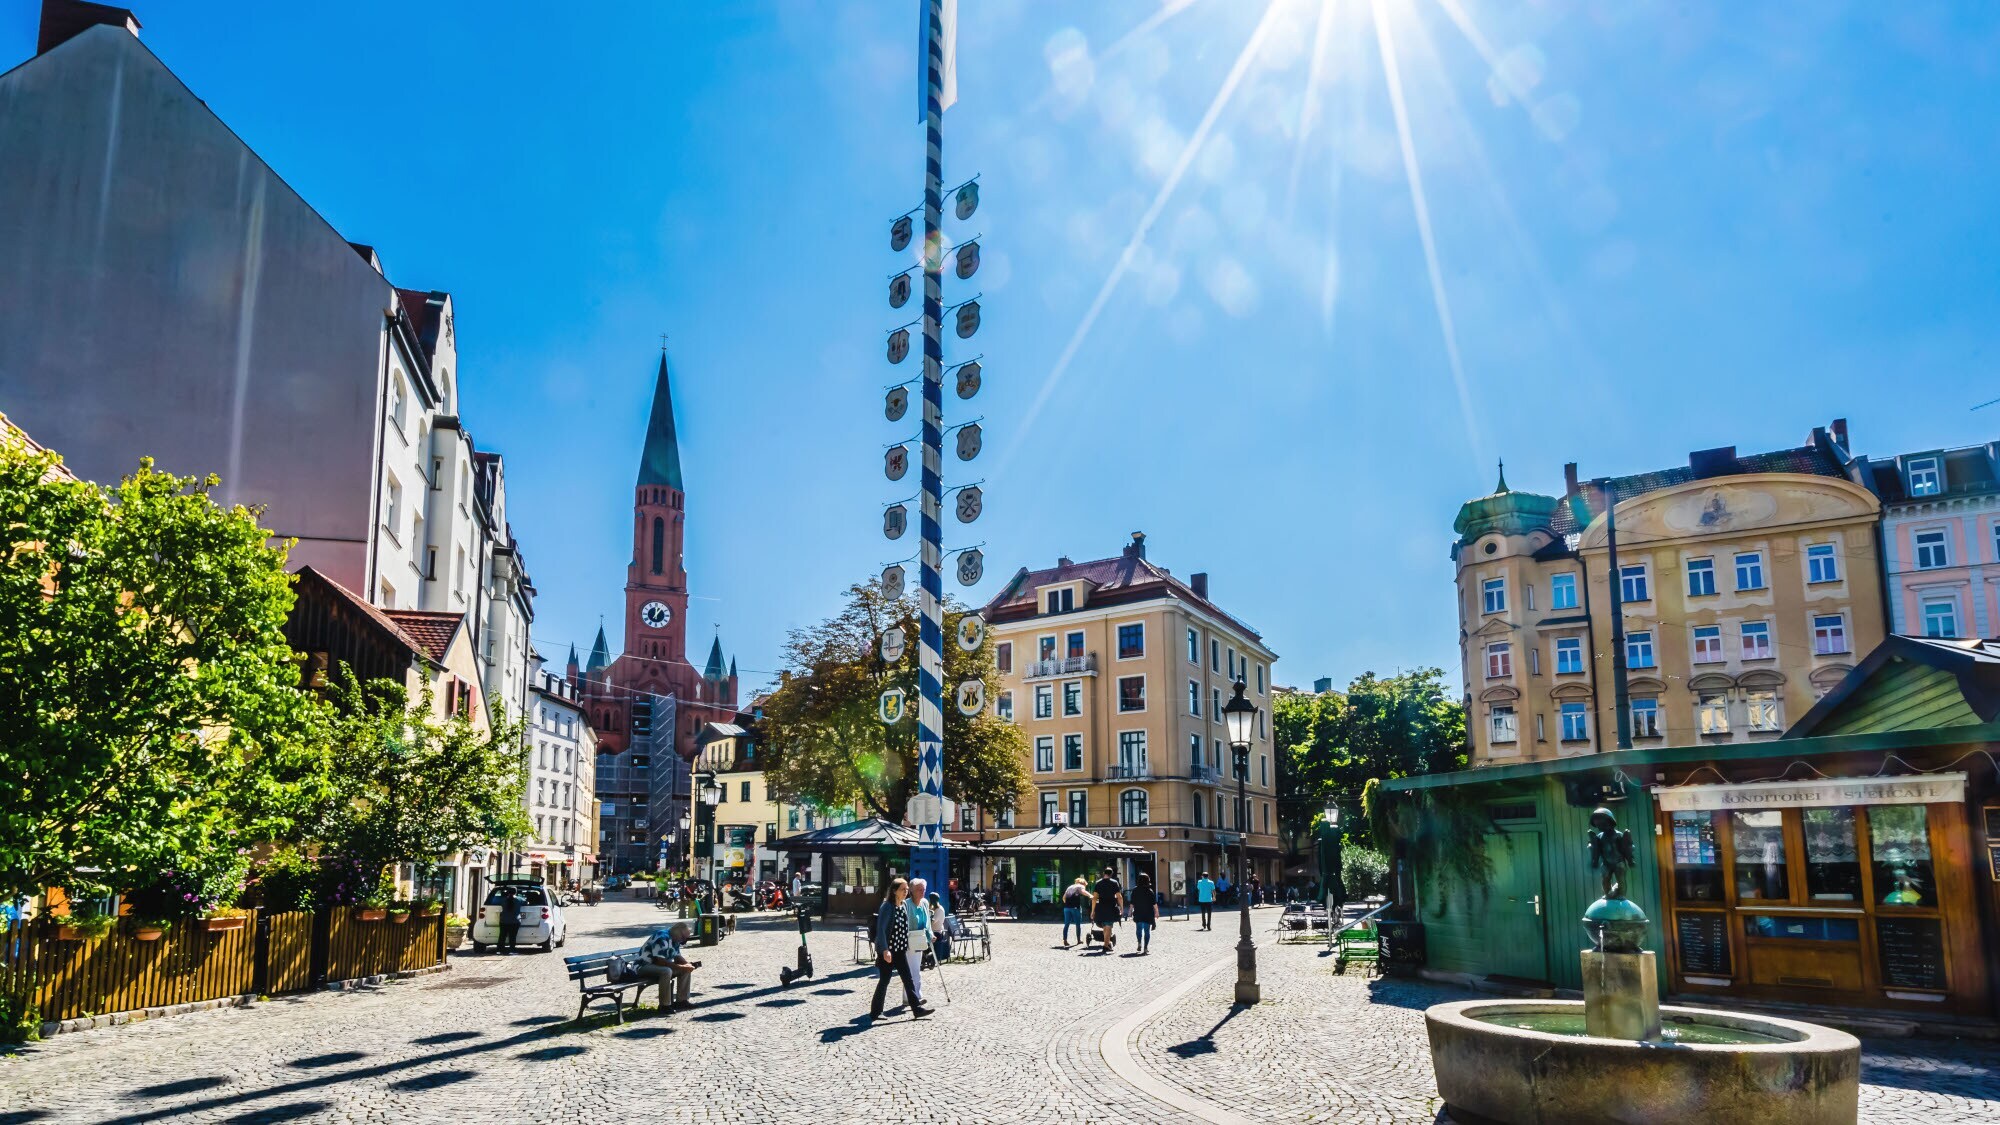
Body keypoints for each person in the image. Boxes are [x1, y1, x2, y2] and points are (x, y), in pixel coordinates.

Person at [870, 878, 932, 1020]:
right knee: (884, 981)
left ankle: (917, 1009)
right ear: (894, 891)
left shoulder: (903, 905)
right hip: (889, 951)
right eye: (902, 889)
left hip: (900, 950)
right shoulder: (887, 906)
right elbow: (881, 930)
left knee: (908, 979)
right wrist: (885, 950)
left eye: (906, 889)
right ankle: (875, 1012)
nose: (906, 892)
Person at [638, 920, 699, 1010]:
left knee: (685, 970)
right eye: (683, 938)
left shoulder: (675, 939)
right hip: (643, 966)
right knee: (666, 971)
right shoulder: (662, 938)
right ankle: (664, 1005)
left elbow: (677, 957)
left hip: (657, 966)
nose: (684, 942)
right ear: (678, 932)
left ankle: (682, 1001)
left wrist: (687, 965)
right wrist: (681, 966)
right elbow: (660, 961)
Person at [905, 877, 934, 1003]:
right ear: (911, 890)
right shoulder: (906, 904)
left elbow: (927, 922)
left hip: (921, 940)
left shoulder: (925, 903)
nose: (922, 892)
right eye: (919, 890)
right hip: (910, 940)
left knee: (915, 968)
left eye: (923, 889)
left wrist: (930, 935)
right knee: (914, 969)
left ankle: (908, 997)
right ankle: (916, 996)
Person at [1091, 866, 1124, 954]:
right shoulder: (1114, 883)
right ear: (1111, 874)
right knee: (1108, 925)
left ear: (1103, 873)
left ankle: (1107, 944)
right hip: (1111, 906)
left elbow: (1094, 898)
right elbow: (1119, 897)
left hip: (1101, 906)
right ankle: (1105, 946)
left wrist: (1093, 910)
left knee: (1105, 926)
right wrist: (1121, 907)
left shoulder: (1098, 883)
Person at [1130, 873, 1158, 955]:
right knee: (1147, 931)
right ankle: (1145, 947)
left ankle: (1139, 943)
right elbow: (1154, 904)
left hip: (1138, 912)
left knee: (1138, 929)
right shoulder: (1150, 891)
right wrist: (1157, 912)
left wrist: (1129, 911)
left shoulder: (1135, 890)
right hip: (1148, 913)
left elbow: (1132, 903)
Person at [1061, 877, 1090, 948]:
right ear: (1082, 883)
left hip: (1067, 908)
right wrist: (1090, 896)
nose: (1084, 887)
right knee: (1078, 924)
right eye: (1085, 885)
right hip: (1075, 908)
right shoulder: (1080, 886)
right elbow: (1083, 892)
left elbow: (1064, 897)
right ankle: (1078, 940)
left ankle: (1065, 940)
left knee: (1066, 924)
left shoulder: (1070, 887)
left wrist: (1067, 903)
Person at [927, 891, 951, 962]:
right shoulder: (933, 908)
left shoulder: (939, 909)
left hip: (937, 932)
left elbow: (933, 921)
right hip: (932, 931)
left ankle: (929, 958)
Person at [496, 886, 521, 952]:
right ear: (516, 892)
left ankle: (500, 949)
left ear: (508, 892)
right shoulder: (519, 900)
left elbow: (497, 901)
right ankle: (512, 949)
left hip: (504, 921)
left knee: (502, 936)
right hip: (515, 921)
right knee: (512, 936)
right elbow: (526, 902)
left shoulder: (503, 900)